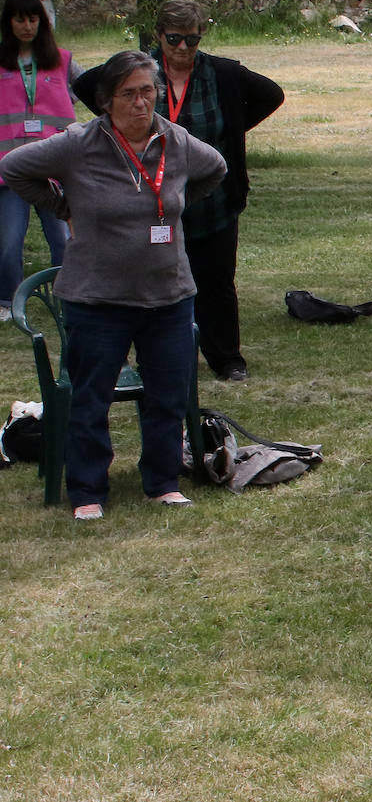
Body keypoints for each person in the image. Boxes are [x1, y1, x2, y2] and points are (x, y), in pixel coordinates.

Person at [0, 51, 227, 520]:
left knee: (167, 395)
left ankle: (162, 482)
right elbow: (15, 166)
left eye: (148, 91)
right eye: (128, 94)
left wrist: (176, 199)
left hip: (168, 294)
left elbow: (217, 169)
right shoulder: (78, 144)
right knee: (90, 398)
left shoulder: (176, 141)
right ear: (106, 101)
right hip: (96, 298)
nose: (141, 103)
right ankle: (87, 490)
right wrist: (63, 206)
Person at [75, 0, 284, 381]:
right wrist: (118, 124)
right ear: (159, 36)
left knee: (217, 280)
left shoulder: (221, 73)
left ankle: (226, 357)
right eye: (174, 39)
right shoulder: (138, 71)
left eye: (192, 39)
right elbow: (85, 84)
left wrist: (232, 129)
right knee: (150, 279)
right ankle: (152, 355)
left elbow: (272, 94)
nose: (184, 48)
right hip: (150, 198)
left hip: (212, 198)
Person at [0, 0, 80, 321]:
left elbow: (90, 88)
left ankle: (70, 296)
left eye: (33, 19)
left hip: (53, 168)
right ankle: (7, 302)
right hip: (10, 171)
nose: (27, 26)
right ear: (9, 22)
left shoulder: (62, 61)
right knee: (8, 243)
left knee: (63, 240)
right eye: (20, 19)